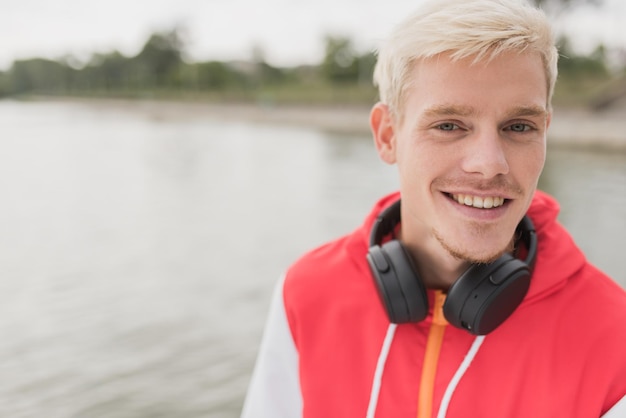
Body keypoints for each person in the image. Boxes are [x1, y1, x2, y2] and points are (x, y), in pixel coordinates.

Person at [241, 0, 626, 416]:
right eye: (448, 125)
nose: (490, 164)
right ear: (388, 135)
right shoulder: (306, 293)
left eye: (518, 126)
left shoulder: (615, 339)